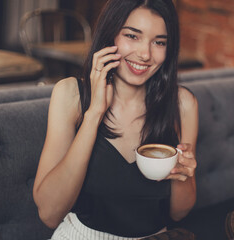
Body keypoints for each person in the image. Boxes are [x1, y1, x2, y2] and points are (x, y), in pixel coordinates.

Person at [33, 0, 198, 239]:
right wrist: (94, 114)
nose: (145, 54)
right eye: (132, 36)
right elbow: (49, 214)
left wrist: (184, 175)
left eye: (159, 42)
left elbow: (179, 213)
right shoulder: (70, 95)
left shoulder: (183, 104)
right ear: (110, 36)